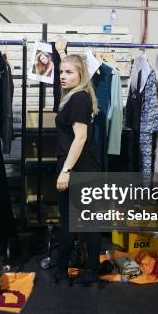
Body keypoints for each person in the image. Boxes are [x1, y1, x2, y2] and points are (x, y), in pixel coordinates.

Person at [54, 54, 102, 285]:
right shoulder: (72, 97)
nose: (63, 76)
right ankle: (64, 269)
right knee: (70, 221)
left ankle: (90, 270)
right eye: (61, 71)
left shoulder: (80, 99)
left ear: (81, 74)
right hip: (72, 165)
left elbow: (80, 138)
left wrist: (66, 170)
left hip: (79, 168)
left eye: (69, 72)